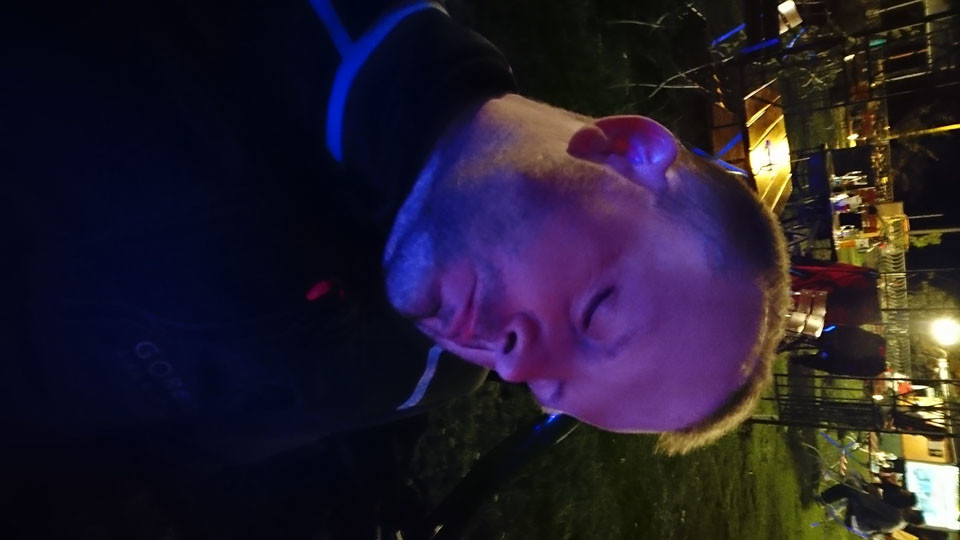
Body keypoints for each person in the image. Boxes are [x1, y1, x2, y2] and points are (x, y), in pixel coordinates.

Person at [1, 0, 789, 471]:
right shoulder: (300, 24)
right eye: (594, 313)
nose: (515, 361)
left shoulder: (413, 375)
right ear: (624, 149)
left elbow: (150, 455)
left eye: (545, 388)